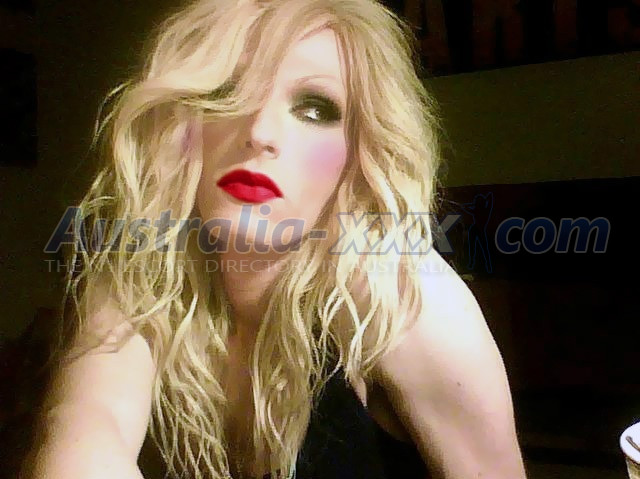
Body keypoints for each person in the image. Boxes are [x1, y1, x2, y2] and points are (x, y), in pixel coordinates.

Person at [23, 0, 528, 478]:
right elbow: (88, 433)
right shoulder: (145, 271)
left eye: (315, 109)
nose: (260, 132)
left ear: (358, 155)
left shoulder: (403, 293)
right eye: (227, 92)